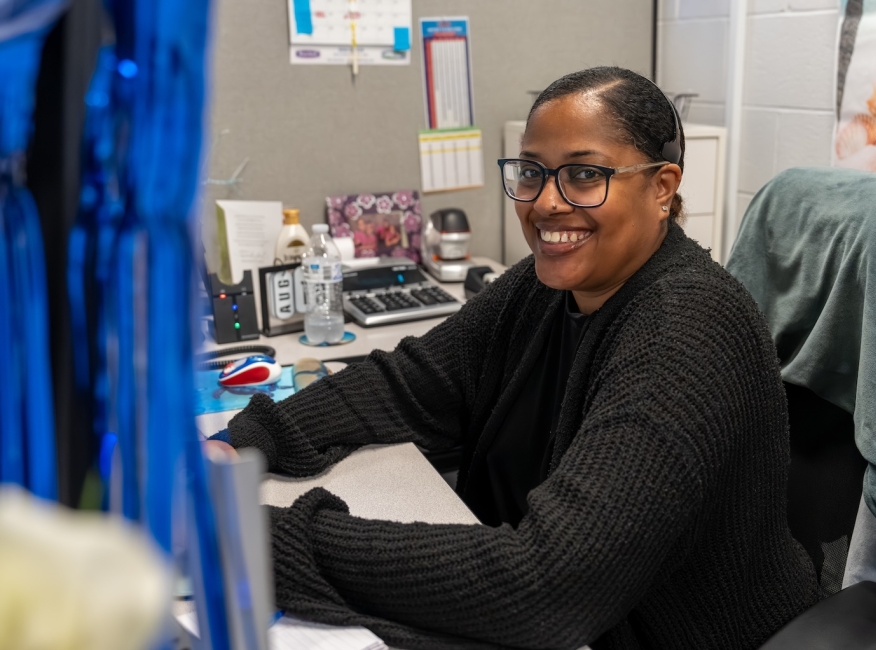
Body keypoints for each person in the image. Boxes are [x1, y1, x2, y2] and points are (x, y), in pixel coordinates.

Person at [207, 67, 818, 650]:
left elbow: (552, 589)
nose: (546, 203)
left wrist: (257, 542)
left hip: (662, 636)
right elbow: (412, 384)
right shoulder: (541, 287)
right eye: (532, 172)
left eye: (584, 175)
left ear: (662, 188)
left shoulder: (685, 330)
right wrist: (243, 442)